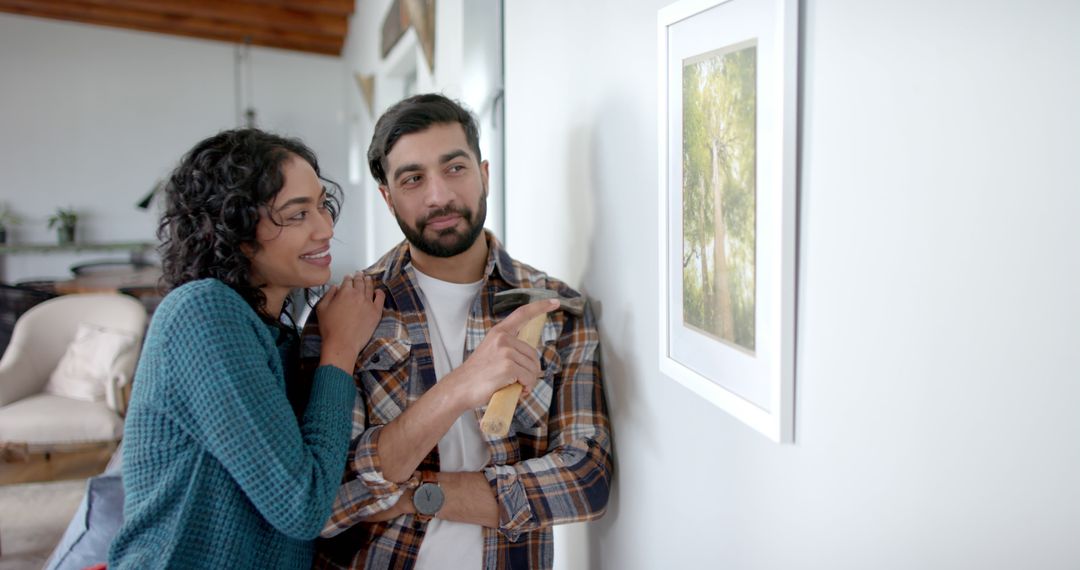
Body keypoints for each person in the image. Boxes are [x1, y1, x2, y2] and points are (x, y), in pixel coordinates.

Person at [307, 93, 613, 569]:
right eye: (413, 179)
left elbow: (585, 479)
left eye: (455, 168)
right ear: (388, 198)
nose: (439, 196)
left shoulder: (555, 308)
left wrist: (417, 494)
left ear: (484, 175)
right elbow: (324, 502)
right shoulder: (347, 314)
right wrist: (459, 388)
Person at [107, 129, 385, 569]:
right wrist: (340, 350)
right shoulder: (203, 314)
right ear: (234, 228)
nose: (326, 228)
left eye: (322, 206)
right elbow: (302, 505)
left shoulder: (278, 332)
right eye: (297, 215)